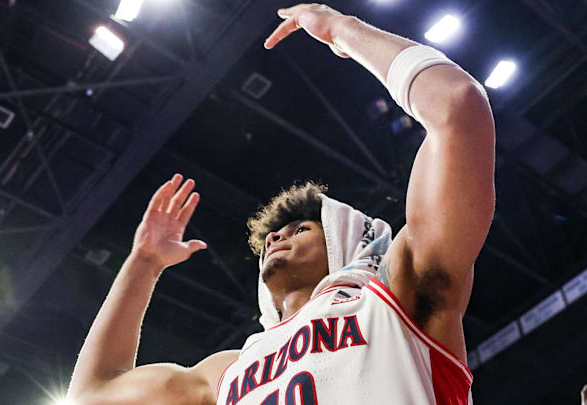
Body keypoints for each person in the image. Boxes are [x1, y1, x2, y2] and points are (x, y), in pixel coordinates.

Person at [67, 3, 495, 404]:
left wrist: (342, 28)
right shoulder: (228, 370)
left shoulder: (397, 295)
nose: (276, 236)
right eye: (277, 231)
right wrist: (143, 264)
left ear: (346, 239)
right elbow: (93, 394)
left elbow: (457, 109)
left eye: (300, 229)